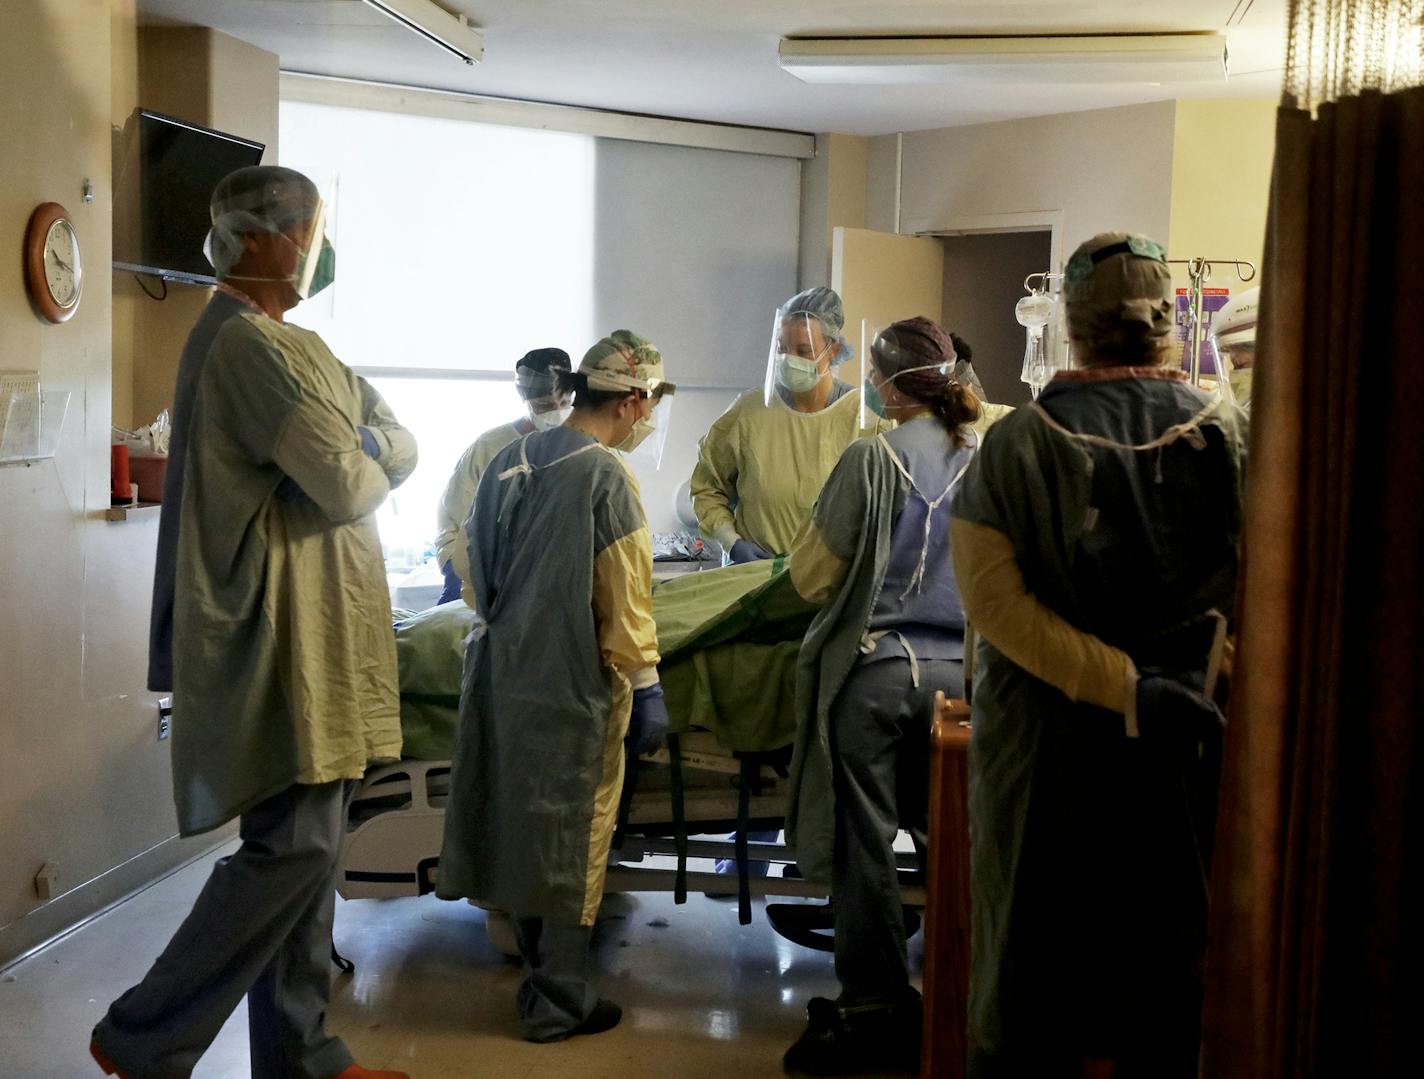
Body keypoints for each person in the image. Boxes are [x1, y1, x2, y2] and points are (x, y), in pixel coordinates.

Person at [90, 167, 414, 1079]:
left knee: (310, 856)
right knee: (296, 847)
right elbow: (351, 479)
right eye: (308, 228)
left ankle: (299, 1052)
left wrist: (363, 439)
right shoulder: (248, 348)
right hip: (279, 633)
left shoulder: (294, 344)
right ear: (262, 238)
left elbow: (396, 434)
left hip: (320, 629)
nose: (317, 245)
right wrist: (366, 446)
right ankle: (144, 1031)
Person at [949, 233, 1248, 1079]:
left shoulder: (1016, 444)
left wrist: (1119, 686)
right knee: (1166, 973)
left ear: (1068, 327)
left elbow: (996, 607)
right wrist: (1177, 682)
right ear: (1171, 324)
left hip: (1047, 756)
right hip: (1186, 743)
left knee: (1032, 973)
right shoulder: (1229, 434)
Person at [437, 331, 674, 1043]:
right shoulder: (604, 474)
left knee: (522, 823)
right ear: (632, 401)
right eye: (651, 407)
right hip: (572, 682)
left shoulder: (507, 461)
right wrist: (646, 680)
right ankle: (558, 999)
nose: (648, 421)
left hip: (500, 673)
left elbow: (473, 573)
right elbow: (623, 591)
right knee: (574, 830)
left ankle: (542, 977)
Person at [781, 318, 981, 1076]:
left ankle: (875, 1002)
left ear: (890, 383)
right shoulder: (982, 455)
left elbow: (810, 576)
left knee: (866, 845)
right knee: (952, 838)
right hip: (959, 686)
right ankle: (961, 985)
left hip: (876, 677)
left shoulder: (873, 457)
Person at [691, 286, 883, 564]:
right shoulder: (750, 411)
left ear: (833, 350)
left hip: (830, 584)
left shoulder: (865, 417)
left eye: (804, 351)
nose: (790, 358)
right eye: (782, 348)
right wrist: (732, 543)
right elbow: (706, 486)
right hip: (753, 579)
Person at [433, 347, 573, 605]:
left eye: (563, 404)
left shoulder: (580, 448)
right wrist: (459, 574)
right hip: (481, 576)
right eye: (544, 405)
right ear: (524, 397)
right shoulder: (490, 448)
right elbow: (453, 519)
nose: (555, 413)